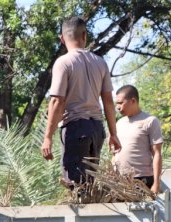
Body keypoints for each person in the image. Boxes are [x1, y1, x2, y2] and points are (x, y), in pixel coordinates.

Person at [41, 16, 121, 185]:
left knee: (75, 185)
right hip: (97, 129)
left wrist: (47, 137)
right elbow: (108, 101)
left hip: (76, 127)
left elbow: (57, 101)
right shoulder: (100, 63)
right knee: (89, 184)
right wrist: (113, 134)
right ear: (85, 35)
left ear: (61, 39)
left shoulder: (63, 62)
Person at [113, 84, 164, 194]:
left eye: (121, 103)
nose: (118, 107)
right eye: (116, 103)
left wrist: (156, 183)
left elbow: (157, 154)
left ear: (133, 101)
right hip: (121, 182)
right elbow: (114, 154)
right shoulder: (119, 123)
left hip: (142, 180)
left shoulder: (150, 121)